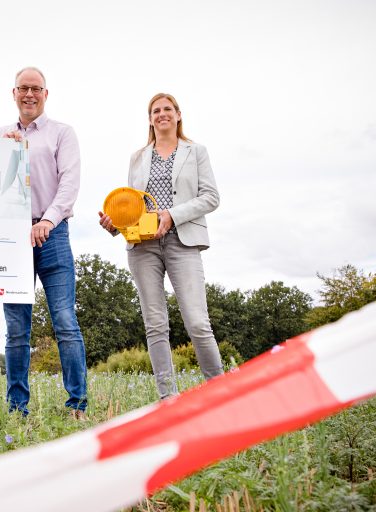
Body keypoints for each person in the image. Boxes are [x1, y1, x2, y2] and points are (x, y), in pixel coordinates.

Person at [98, 92, 224, 399]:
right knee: (155, 323)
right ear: (150, 118)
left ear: (178, 115)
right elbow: (131, 206)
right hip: (143, 247)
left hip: (183, 242)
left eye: (167, 109)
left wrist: (172, 215)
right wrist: (116, 224)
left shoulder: (196, 152)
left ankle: (221, 393)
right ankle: (168, 399)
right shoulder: (138, 157)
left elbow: (211, 197)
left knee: (197, 322)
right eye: (156, 110)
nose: (161, 114)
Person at [0, 67, 88, 419]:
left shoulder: (62, 133)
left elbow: (70, 182)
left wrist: (48, 220)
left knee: (65, 319)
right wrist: (8, 154)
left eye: (36, 88)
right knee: (17, 328)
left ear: (46, 94)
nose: (29, 94)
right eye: (23, 88)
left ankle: (77, 405)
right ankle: (17, 408)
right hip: (12, 239)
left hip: (54, 233)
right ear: (13, 92)